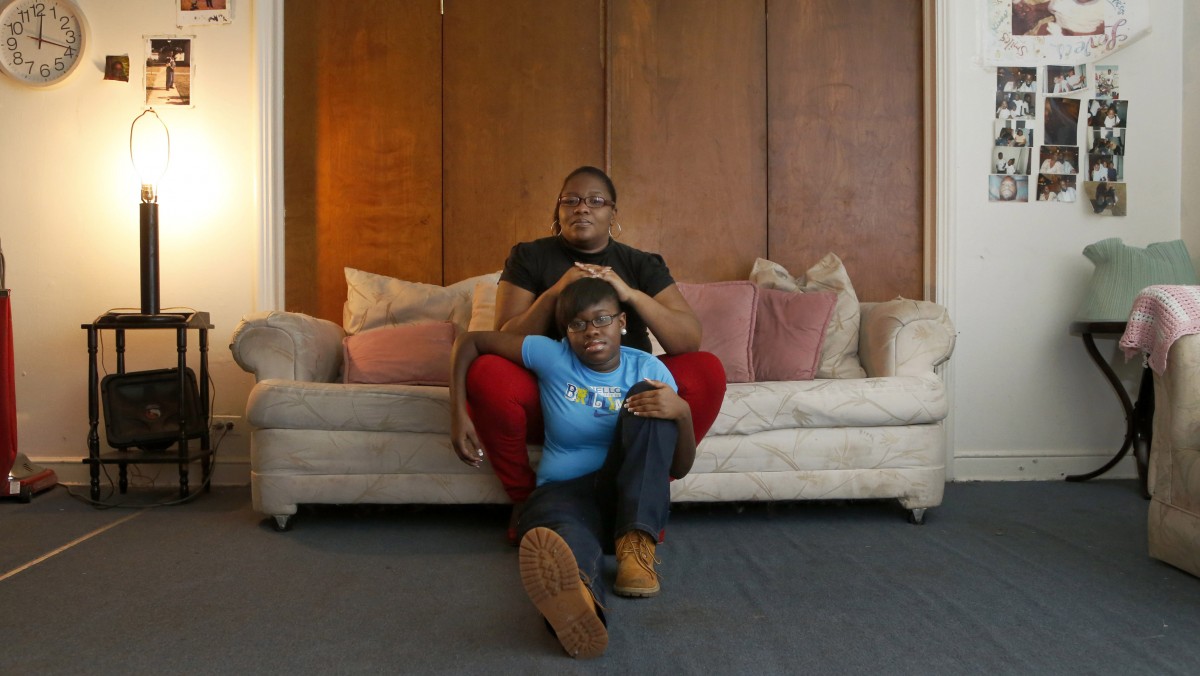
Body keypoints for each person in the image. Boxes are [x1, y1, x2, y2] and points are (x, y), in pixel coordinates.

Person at [466, 165, 725, 543]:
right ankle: (526, 499)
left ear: (612, 214)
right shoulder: (530, 257)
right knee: (487, 370)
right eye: (569, 200)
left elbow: (687, 340)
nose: (581, 208)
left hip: (626, 393)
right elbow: (503, 335)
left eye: (595, 201)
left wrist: (628, 292)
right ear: (557, 212)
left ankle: (642, 496)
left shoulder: (640, 263)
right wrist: (556, 290)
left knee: (707, 371)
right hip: (553, 391)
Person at [450, 278, 696, 659]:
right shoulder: (552, 355)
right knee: (564, 539)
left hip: (627, 496)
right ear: (566, 332)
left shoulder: (646, 367)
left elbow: (678, 467)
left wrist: (683, 414)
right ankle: (579, 600)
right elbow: (471, 342)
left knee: (646, 397)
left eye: (602, 320)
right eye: (577, 324)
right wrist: (458, 414)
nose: (591, 332)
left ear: (622, 322)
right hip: (562, 493)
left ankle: (635, 548)